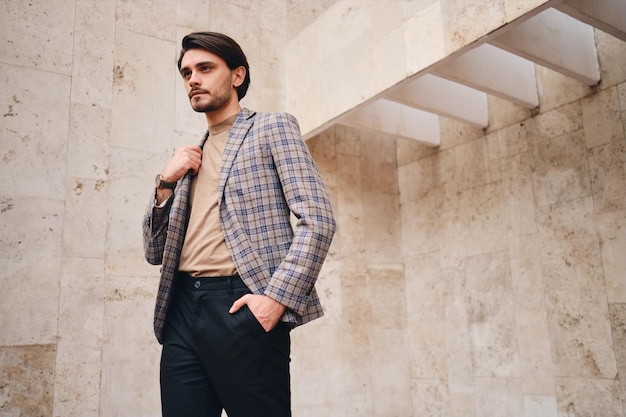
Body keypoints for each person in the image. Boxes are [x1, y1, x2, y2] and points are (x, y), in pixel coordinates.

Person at [142, 31, 336, 417]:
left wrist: (275, 300)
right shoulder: (190, 158)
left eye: (205, 68)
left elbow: (318, 219)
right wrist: (165, 182)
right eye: (186, 73)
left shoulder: (271, 128)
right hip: (181, 307)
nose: (192, 79)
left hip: (240, 305)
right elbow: (153, 252)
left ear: (237, 75)